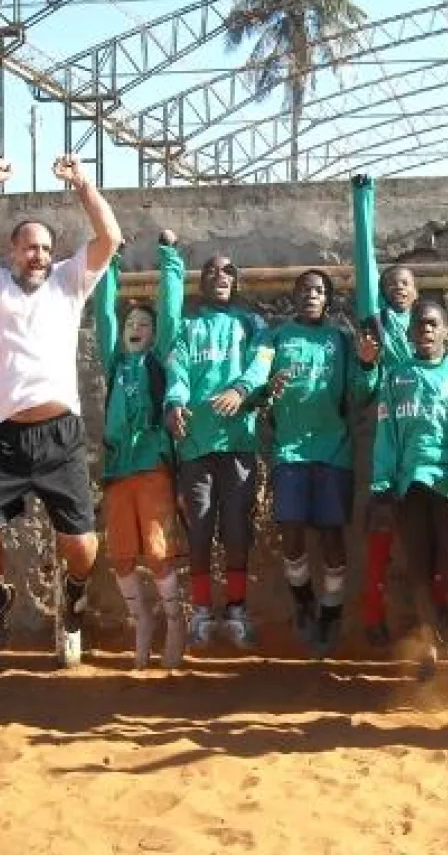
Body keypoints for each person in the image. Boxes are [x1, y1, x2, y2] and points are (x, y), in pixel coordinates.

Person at [0, 154, 122, 666]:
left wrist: (83, 183)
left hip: (61, 437)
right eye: (29, 248)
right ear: (12, 252)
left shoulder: (69, 282)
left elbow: (109, 237)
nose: (38, 256)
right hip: (4, 438)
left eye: (44, 248)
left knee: (82, 546)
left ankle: (74, 593)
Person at [245, 269, 369, 655]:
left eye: (318, 290)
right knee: (291, 528)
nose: (311, 295)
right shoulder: (275, 338)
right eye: (304, 290)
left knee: (332, 536)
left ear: (328, 299)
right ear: (294, 296)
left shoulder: (341, 340)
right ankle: (303, 600)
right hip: (289, 450)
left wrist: (367, 365)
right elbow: (257, 374)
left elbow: (361, 392)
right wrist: (266, 390)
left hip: (333, 450)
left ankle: (331, 612)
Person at [367, 300, 448, 680]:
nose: (426, 330)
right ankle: (430, 641)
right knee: (418, 569)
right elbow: (386, 434)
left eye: (433, 324)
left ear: (446, 330)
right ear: (410, 332)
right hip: (408, 485)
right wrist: (382, 486)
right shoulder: (395, 378)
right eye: (419, 325)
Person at [162, 246, 266, 650]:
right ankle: (202, 612)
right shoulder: (188, 326)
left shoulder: (252, 323)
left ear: (235, 281)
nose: (220, 276)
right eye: (211, 271)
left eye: (228, 271)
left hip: (238, 442)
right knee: (200, 529)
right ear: (201, 282)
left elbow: (263, 360)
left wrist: (242, 389)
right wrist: (175, 402)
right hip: (196, 444)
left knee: (237, 530)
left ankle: (237, 610)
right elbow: (177, 368)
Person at [93, 231, 186, 669]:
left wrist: (169, 256)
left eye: (144, 325)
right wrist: (109, 262)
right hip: (118, 468)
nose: (136, 328)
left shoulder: (158, 359)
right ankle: (142, 620)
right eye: (131, 323)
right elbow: (103, 316)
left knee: (158, 551)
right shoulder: (115, 363)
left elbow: (171, 311)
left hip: (151, 465)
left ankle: (175, 621)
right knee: (121, 555)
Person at [358, 264, 448, 646]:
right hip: (389, 440)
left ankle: (437, 619)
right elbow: (364, 387)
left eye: (406, 282)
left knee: (434, 540)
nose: (398, 287)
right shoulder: (378, 329)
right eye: (391, 282)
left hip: (428, 455)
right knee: (381, 528)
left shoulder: (434, 342)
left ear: (417, 291)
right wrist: (367, 365)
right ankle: (373, 613)